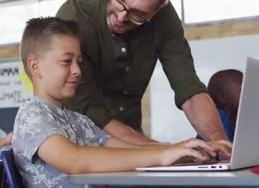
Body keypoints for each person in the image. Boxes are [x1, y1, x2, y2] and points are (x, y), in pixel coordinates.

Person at [13, 17, 221, 188]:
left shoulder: (78, 120)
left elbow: (128, 150)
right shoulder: (33, 114)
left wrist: (185, 151)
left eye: (79, 62)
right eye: (67, 61)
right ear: (35, 66)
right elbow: (74, 161)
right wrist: (165, 155)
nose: (77, 70)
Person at [56, 0, 230, 152]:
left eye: (138, 14)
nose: (121, 17)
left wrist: (222, 146)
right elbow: (90, 113)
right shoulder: (73, 17)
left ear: (160, 8)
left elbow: (189, 89)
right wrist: (165, 151)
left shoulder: (165, 19)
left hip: (133, 141)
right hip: (80, 144)